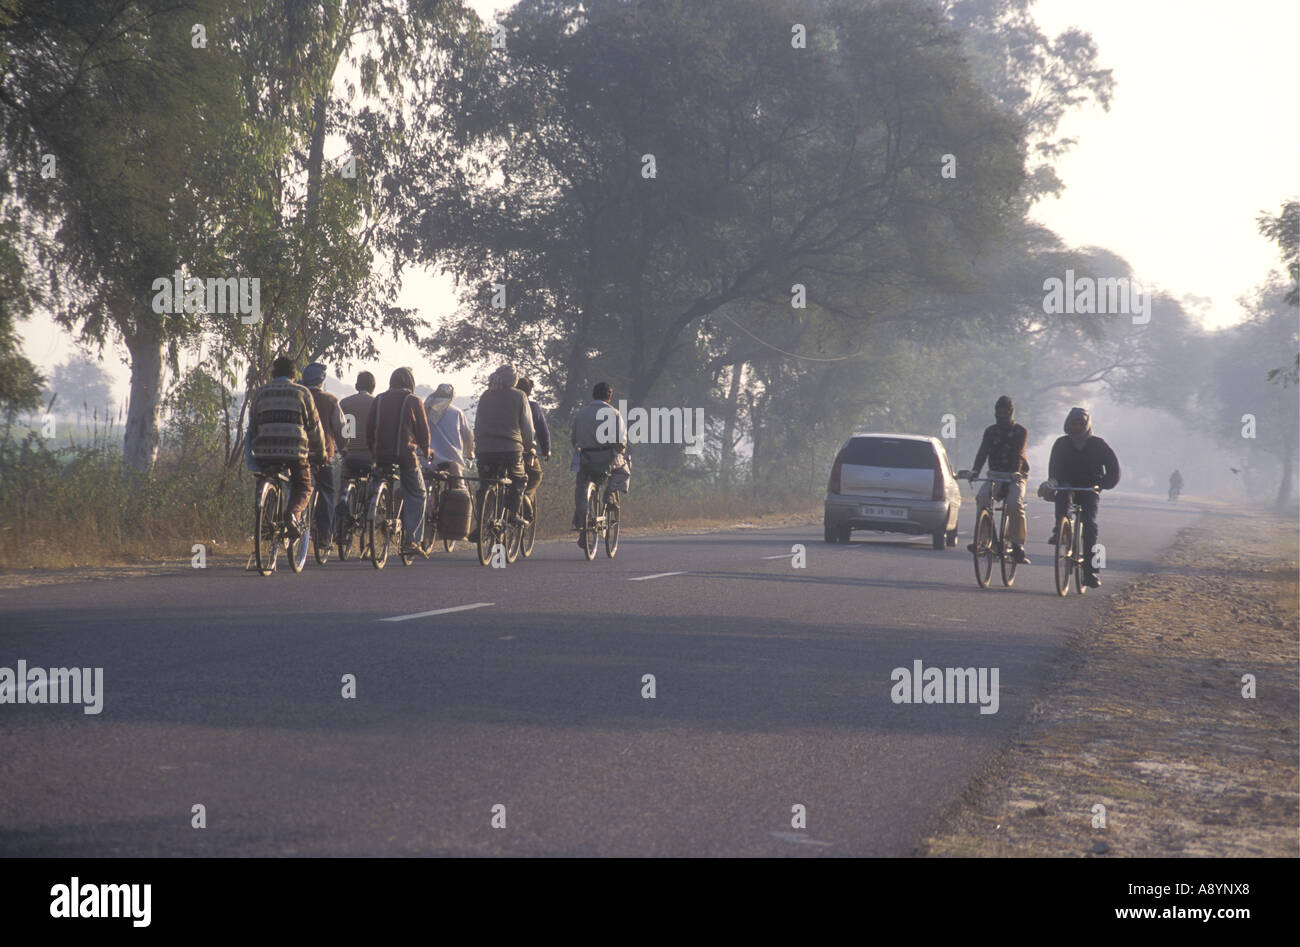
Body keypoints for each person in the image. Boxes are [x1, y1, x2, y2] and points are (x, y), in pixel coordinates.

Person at [245, 355, 326, 539]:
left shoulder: (260, 393)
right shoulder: (302, 392)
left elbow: (253, 425)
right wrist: (321, 453)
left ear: (274, 373)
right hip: (294, 452)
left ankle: (265, 520)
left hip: (264, 452)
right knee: (304, 486)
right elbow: (314, 429)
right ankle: (293, 515)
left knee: (266, 476)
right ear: (293, 373)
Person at [1046, 407, 1121, 588]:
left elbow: (1113, 469)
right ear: (1068, 424)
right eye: (1074, 424)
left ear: (1086, 425)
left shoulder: (1098, 444)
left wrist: (1103, 484)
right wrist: (1053, 482)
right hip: (1067, 485)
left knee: (1090, 526)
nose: (1076, 427)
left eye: (1080, 424)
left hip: (1089, 488)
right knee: (1063, 500)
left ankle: (1092, 571)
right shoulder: (1061, 444)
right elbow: (1054, 467)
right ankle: (1059, 530)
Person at [366, 367, 430, 554]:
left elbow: (369, 428)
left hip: (381, 455)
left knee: (374, 487)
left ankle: (368, 534)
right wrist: (426, 449)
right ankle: (412, 541)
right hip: (406, 456)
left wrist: (374, 450)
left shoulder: (379, 399)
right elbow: (423, 431)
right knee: (417, 493)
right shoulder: (413, 400)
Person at [965, 395, 1031, 564]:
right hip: (995, 474)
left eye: (1005, 411)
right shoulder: (990, 431)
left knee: (1014, 504)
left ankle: (1017, 545)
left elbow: (1018, 454)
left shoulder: (1020, 431)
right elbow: (983, 452)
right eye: (999, 411)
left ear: (1011, 412)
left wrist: (1015, 473)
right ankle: (985, 540)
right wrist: (975, 471)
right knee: (982, 499)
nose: (1002, 414)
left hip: (1016, 476)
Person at [472, 364, 535, 527]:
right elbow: (528, 429)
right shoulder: (520, 396)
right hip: (511, 450)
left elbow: (478, 424)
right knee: (519, 480)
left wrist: (478, 445)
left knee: (486, 483)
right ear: (514, 379)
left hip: (485, 450)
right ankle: (513, 514)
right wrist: (530, 447)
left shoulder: (486, 395)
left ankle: (481, 524)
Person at [571, 381, 625, 538]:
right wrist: (618, 451)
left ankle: (582, 521)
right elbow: (621, 442)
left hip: (585, 459)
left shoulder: (580, 413)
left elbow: (574, 439)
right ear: (609, 396)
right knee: (618, 473)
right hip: (604, 460)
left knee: (581, 488)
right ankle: (610, 500)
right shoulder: (614, 413)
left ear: (593, 395)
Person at [301, 362, 346, 546]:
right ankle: (325, 534)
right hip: (322, 456)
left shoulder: (298, 396)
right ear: (322, 380)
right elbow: (341, 429)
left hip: (298, 454)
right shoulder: (331, 400)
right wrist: (344, 448)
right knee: (327, 490)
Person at [424, 383, 474, 490]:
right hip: (452, 459)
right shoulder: (457, 412)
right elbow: (468, 436)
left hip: (429, 459)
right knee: (459, 489)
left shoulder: (426, 411)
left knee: (424, 484)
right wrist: (470, 453)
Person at [515, 376, 551, 520]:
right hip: (524, 451)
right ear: (529, 391)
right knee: (536, 474)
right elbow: (543, 431)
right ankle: (527, 497)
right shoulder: (533, 407)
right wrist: (547, 449)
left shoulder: (504, 404)